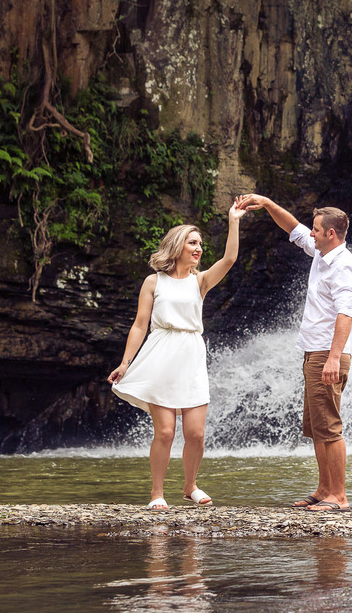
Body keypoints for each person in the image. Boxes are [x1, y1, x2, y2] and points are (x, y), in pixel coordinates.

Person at [108, 198, 248, 510]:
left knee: (196, 434)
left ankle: (189, 486)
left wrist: (234, 220)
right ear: (177, 246)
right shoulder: (153, 281)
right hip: (160, 355)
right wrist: (125, 363)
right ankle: (157, 493)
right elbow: (139, 325)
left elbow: (229, 258)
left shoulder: (201, 281)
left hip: (191, 355)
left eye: (200, 244)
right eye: (192, 242)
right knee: (166, 431)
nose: (198, 248)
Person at [238, 195, 352, 512]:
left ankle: (339, 496)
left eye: (317, 230)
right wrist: (266, 203)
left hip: (327, 354)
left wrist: (334, 358)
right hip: (313, 353)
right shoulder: (321, 256)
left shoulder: (344, 266)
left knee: (330, 427)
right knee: (317, 427)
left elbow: (345, 315)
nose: (312, 233)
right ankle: (323, 490)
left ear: (331, 234)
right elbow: (292, 227)